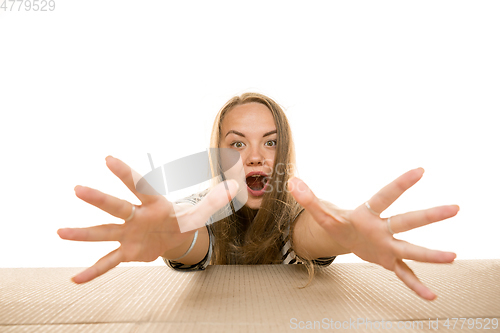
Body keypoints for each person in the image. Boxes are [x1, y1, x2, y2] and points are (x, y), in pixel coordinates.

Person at [58, 92, 459, 301]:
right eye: (236, 144)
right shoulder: (207, 206)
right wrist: (173, 236)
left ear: (284, 151)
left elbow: (314, 231)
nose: (254, 156)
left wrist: (347, 232)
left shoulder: (296, 211)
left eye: (270, 142)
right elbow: (192, 232)